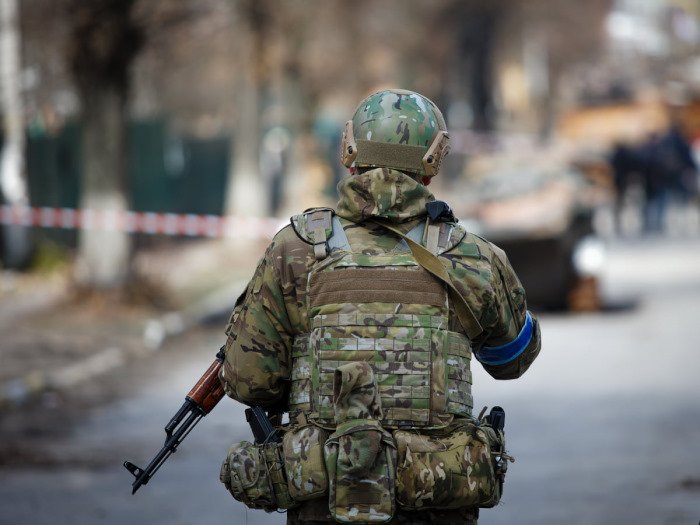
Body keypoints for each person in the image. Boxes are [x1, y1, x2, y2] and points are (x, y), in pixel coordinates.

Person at [217, 89, 542, 525]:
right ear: (432, 162)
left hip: (325, 501)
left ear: (350, 152)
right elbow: (513, 360)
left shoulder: (294, 249)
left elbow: (249, 381)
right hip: (437, 498)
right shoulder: (473, 256)